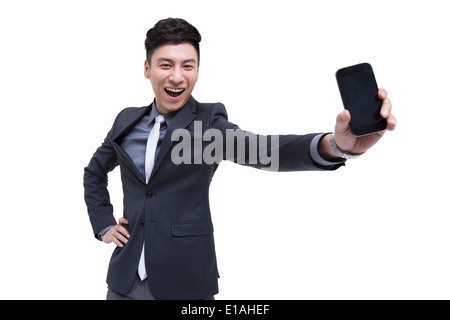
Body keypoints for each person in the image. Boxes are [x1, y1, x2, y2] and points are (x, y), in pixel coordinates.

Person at [83, 17, 396, 300]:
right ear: (147, 69)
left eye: (188, 66)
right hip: (123, 284)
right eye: (166, 65)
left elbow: (263, 149)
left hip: (185, 284)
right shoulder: (127, 121)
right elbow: (94, 172)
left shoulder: (208, 124)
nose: (177, 77)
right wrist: (103, 224)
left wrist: (336, 145)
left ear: (197, 70)